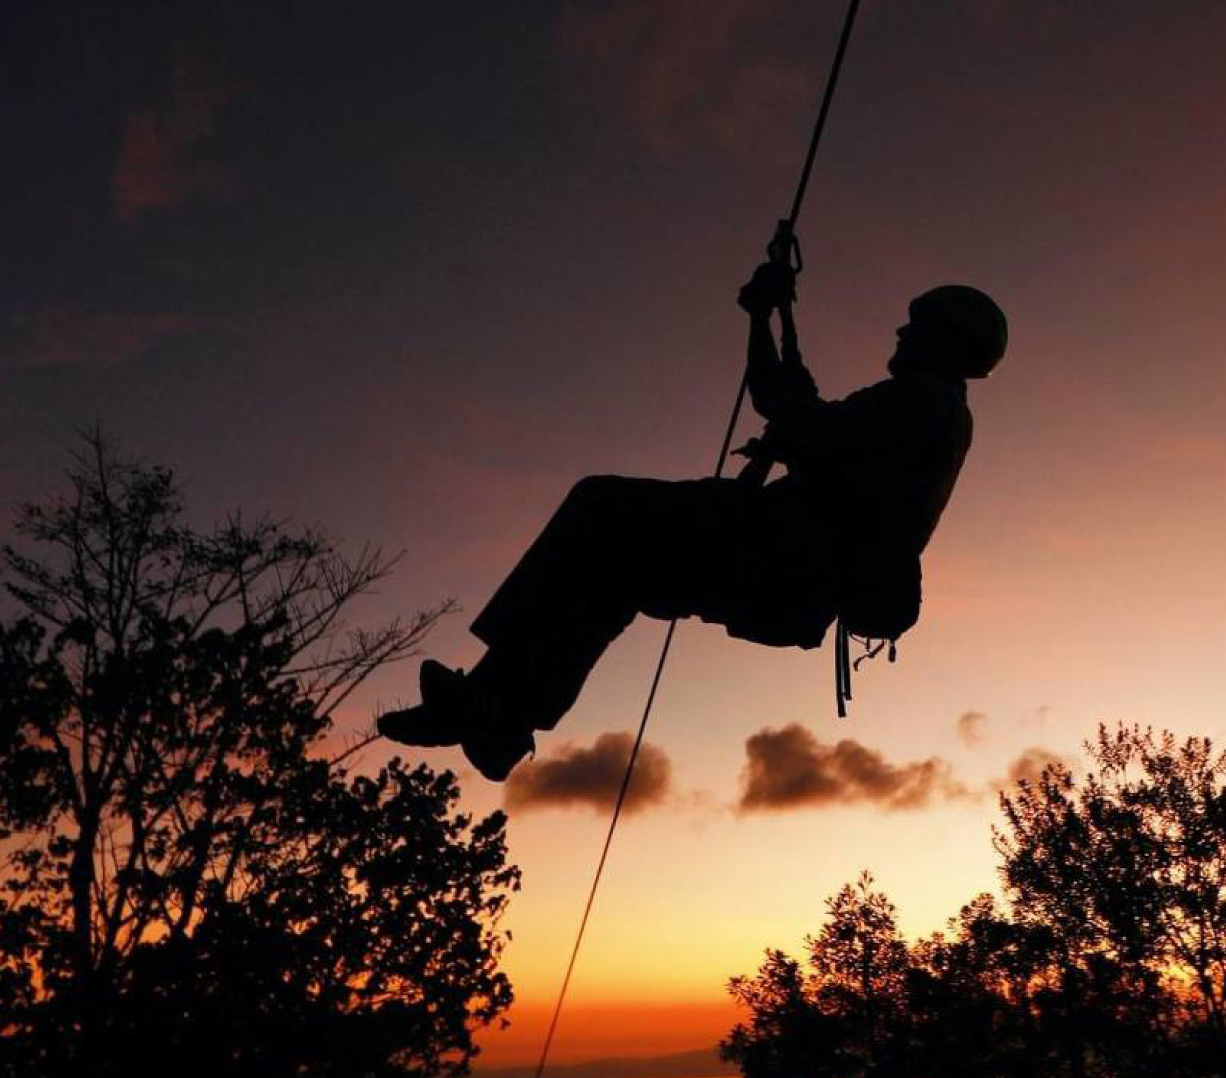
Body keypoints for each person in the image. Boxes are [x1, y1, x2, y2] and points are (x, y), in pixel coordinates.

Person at [377, 263, 1007, 780]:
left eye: (915, 324)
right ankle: (498, 710)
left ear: (948, 339)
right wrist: (767, 321)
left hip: (783, 562)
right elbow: (803, 413)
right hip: (785, 569)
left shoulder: (923, 404)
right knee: (612, 569)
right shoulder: (926, 410)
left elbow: (792, 411)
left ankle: (502, 709)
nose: (900, 331)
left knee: (602, 509)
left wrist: (763, 316)